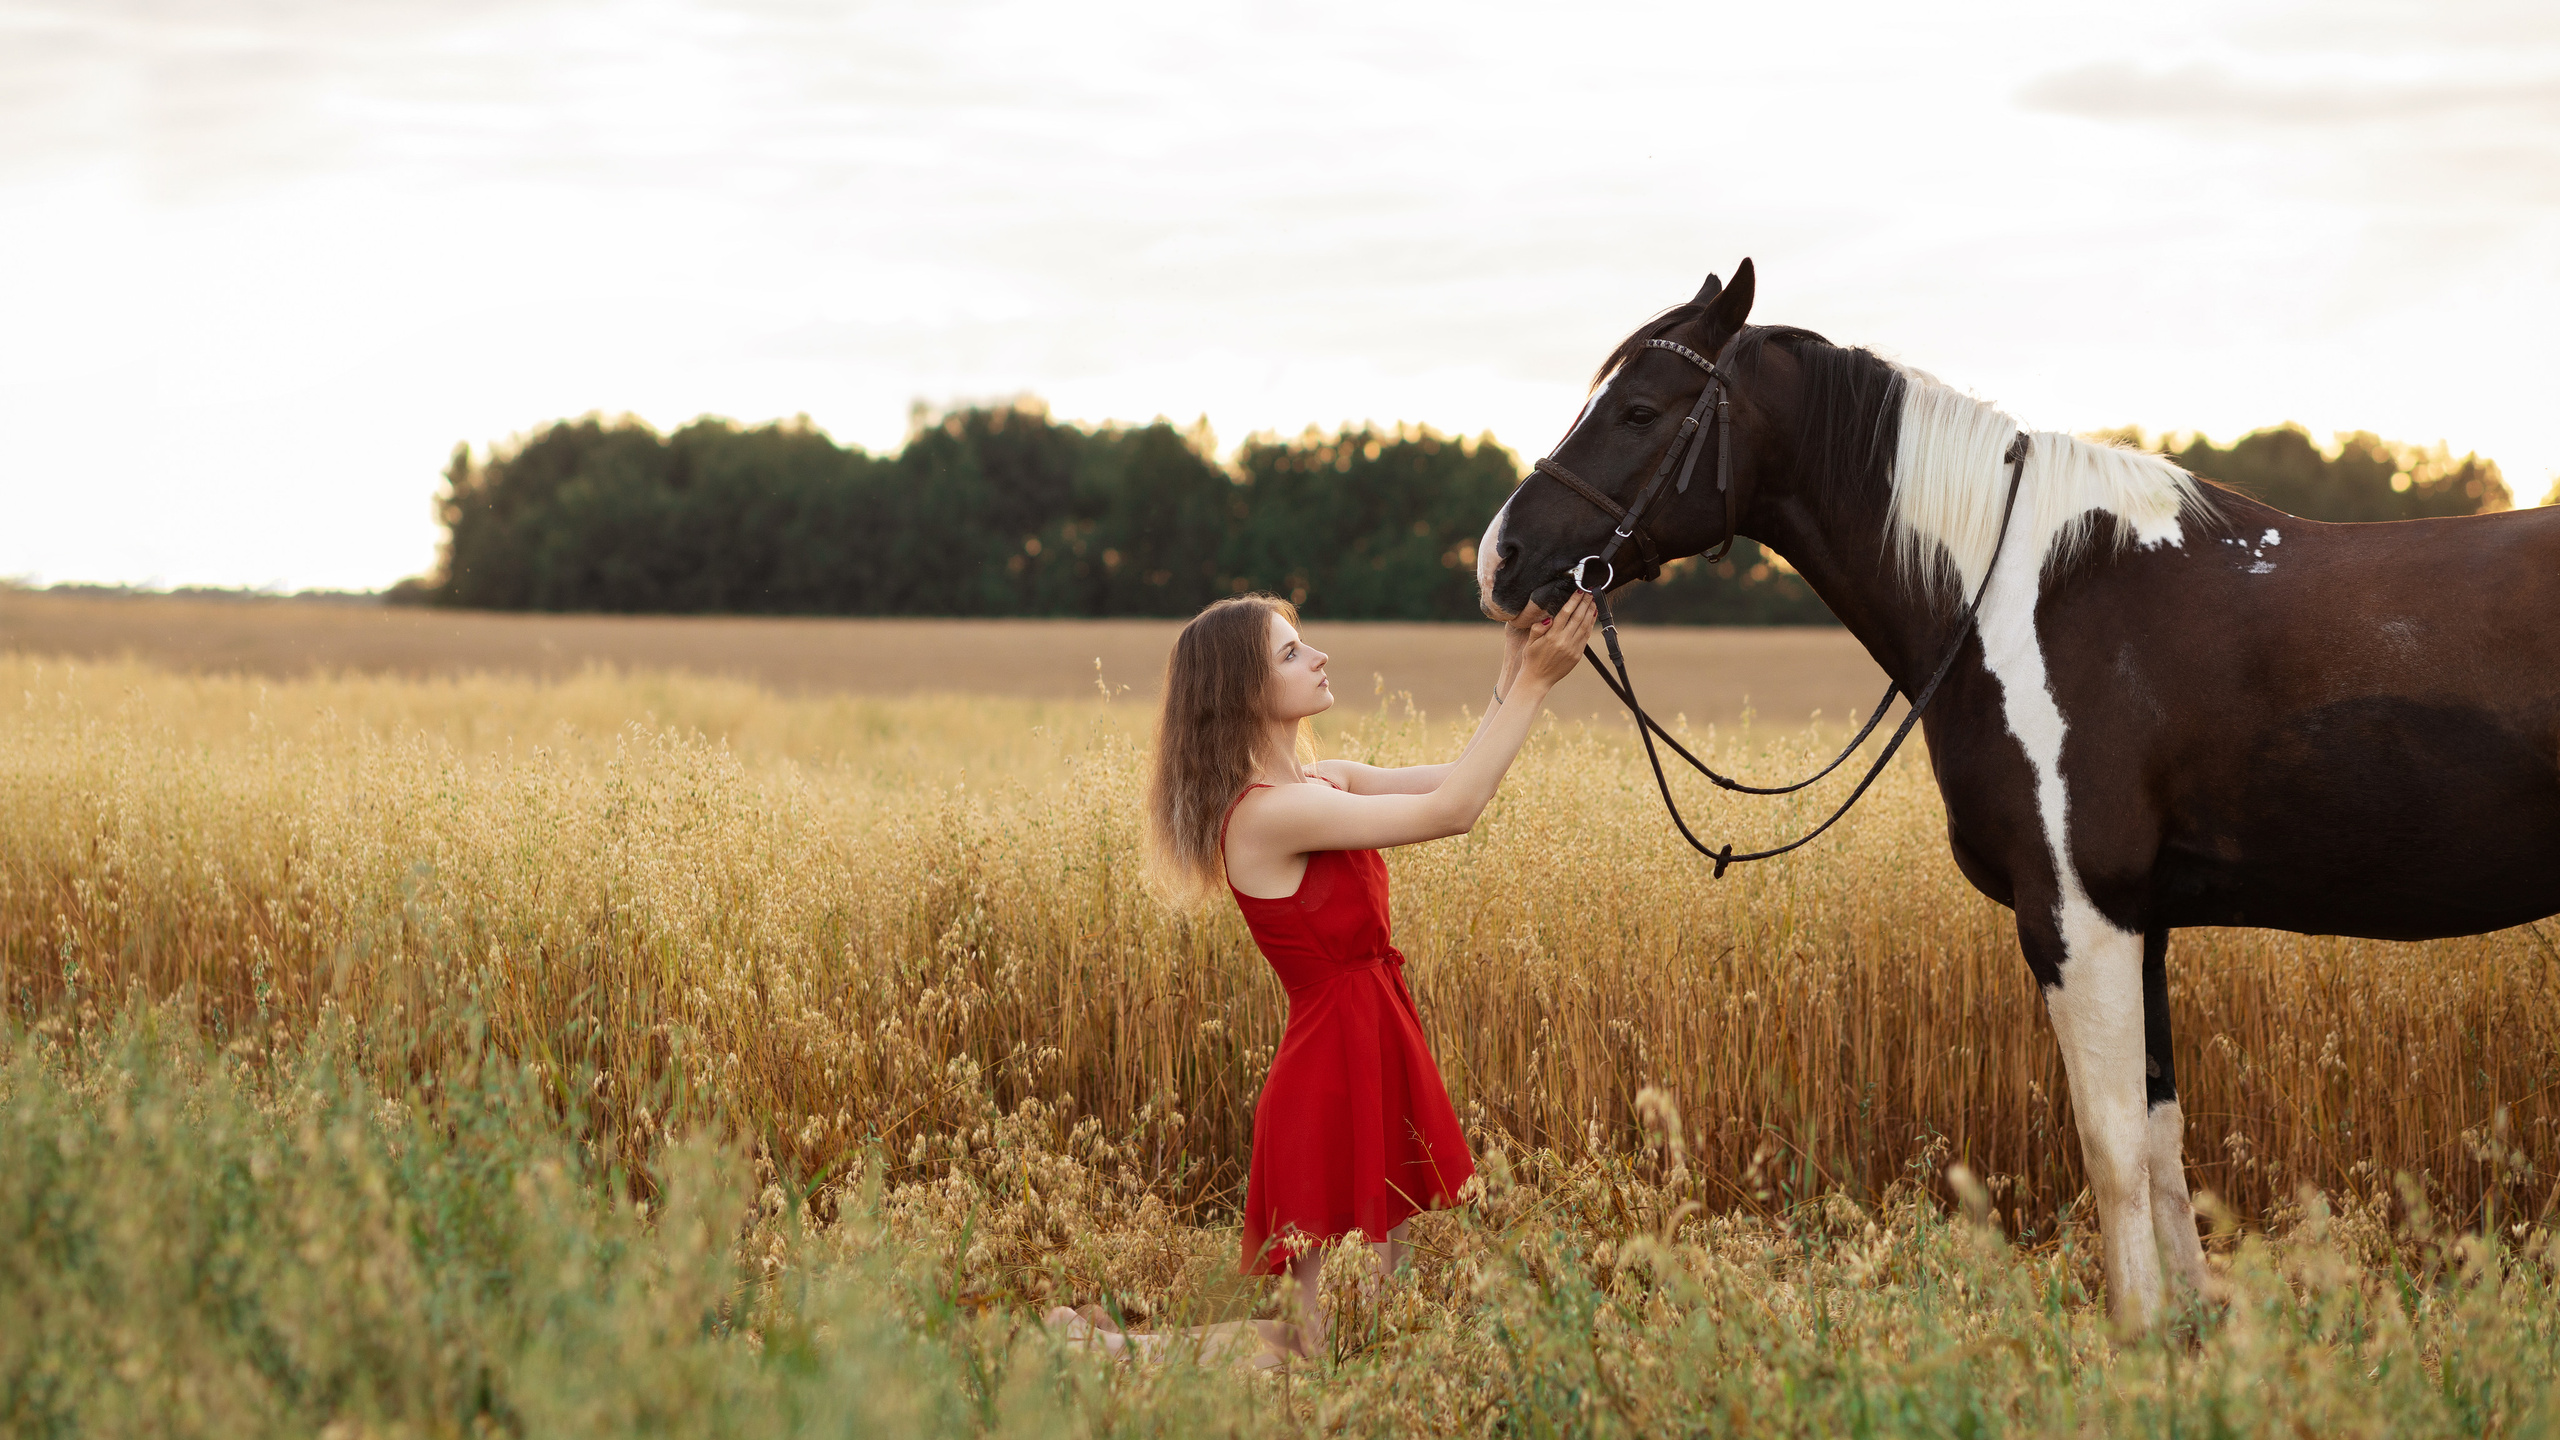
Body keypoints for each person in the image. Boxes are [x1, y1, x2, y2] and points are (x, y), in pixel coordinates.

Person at [1097, 589, 1596, 1366]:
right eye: (1289, 652)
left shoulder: (1324, 782)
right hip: (1329, 1079)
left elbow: (1464, 775)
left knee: (1350, 1340)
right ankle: (1109, 1358)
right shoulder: (1266, 814)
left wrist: (1514, 660)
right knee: (1333, 1351)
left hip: (1373, 1048)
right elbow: (1454, 812)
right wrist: (1537, 683)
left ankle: (1112, 1351)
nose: (1318, 655)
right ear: (1242, 691)